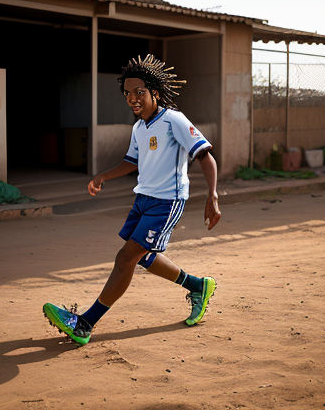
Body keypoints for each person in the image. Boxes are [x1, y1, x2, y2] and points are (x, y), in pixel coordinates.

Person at [43, 54, 221, 345]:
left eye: (139, 92)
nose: (133, 98)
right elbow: (131, 162)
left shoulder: (173, 120)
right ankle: (199, 286)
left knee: (126, 257)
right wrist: (103, 176)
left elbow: (204, 155)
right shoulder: (139, 128)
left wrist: (212, 194)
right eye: (127, 93)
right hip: (143, 199)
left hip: (167, 202)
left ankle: (86, 322)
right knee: (145, 257)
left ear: (155, 93)